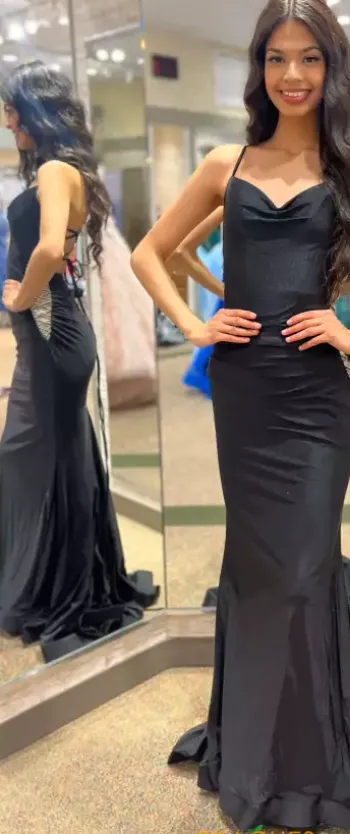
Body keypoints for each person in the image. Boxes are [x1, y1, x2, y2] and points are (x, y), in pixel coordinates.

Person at [131, 2, 350, 830]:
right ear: (259, 69)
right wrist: (195, 324)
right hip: (244, 391)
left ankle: (312, 762)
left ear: (331, 67)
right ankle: (256, 750)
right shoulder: (225, 163)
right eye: (276, 58)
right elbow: (148, 252)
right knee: (258, 567)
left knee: (308, 567)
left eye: (309, 58)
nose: (293, 75)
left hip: (316, 398)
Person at [0, 61, 158, 663]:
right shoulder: (58, 170)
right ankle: (58, 576)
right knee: (52, 454)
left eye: (12, 111)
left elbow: (47, 250)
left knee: (35, 455)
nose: (8, 122)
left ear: (34, 111)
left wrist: (20, 294)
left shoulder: (55, 171)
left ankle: (61, 586)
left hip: (51, 332)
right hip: (50, 333)